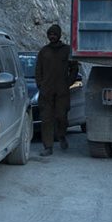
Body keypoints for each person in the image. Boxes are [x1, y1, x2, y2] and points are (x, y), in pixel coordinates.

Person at [35, 23, 78, 156]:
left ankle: (62, 135)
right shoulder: (43, 51)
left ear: (59, 35)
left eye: (54, 34)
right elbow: (38, 70)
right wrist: (40, 85)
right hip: (46, 92)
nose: (52, 36)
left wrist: (68, 82)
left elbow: (74, 68)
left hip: (62, 92)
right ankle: (48, 147)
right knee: (46, 119)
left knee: (61, 116)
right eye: (50, 34)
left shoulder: (67, 50)